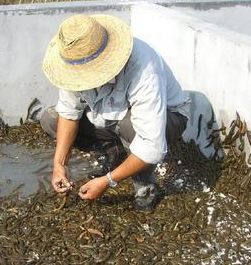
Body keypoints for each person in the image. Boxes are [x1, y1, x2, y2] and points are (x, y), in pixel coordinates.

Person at [40, 14, 191, 211]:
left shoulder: (143, 67)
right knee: (50, 119)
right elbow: (69, 113)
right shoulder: (73, 62)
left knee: (130, 127)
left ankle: (145, 186)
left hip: (168, 118)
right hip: (109, 115)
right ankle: (116, 151)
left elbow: (151, 146)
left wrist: (108, 181)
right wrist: (59, 165)